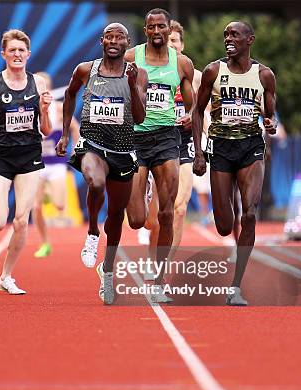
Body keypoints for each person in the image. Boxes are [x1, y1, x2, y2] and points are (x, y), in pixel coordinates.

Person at [56, 23, 147, 305]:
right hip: (92, 145)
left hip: (121, 150)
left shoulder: (137, 74)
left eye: (120, 37)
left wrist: (132, 86)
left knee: (118, 215)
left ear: (127, 43)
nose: (114, 41)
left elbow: (140, 117)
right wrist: (63, 134)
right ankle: (93, 231)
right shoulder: (86, 70)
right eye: (110, 36)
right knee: (94, 182)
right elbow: (69, 94)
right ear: (102, 40)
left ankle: (107, 270)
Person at [192, 21, 278, 306]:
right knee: (224, 226)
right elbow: (197, 112)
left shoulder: (264, 75)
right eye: (226, 35)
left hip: (251, 147)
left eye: (235, 35)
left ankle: (236, 286)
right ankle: (227, 225)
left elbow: (270, 112)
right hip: (220, 149)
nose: (229, 39)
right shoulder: (213, 71)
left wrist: (270, 122)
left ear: (249, 40)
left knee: (250, 214)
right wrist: (200, 152)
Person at [0, 29, 53, 295]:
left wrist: (45, 111)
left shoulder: (38, 83)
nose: (17, 54)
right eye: (12, 50)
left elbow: (47, 130)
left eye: (21, 50)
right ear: (3, 54)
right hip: (1, 158)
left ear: (28, 54)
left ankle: (6, 275)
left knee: (20, 221)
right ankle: (5, 268)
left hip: (30, 156)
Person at [124, 8, 195, 301]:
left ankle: (158, 280)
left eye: (161, 27)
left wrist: (190, 115)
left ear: (168, 30)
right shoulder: (131, 57)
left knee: (168, 213)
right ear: (145, 29)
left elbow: (192, 104)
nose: (156, 31)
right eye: (151, 27)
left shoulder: (181, 64)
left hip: (168, 138)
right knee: (138, 220)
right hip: (137, 138)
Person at [139, 20, 202, 275]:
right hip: (154, 139)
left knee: (179, 207)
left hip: (183, 143)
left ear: (182, 44)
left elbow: (204, 109)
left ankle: (162, 268)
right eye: (169, 40)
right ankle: (153, 256)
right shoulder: (149, 67)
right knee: (151, 220)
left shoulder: (192, 73)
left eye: (176, 41)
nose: (171, 44)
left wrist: (201, 141)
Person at [32, 72, 81, 258]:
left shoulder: (59, 109)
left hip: (56, 164)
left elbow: (75, 127)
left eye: (42, 87)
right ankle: (45, 243)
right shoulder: (28, 110)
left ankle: (48, 193)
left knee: (60, 206)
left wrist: (76, 148)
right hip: (36, 164)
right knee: (35, 207)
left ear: (48, 88)